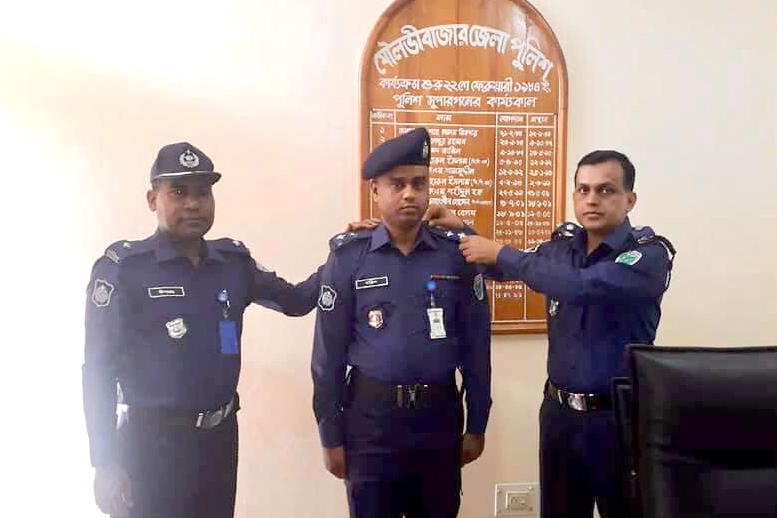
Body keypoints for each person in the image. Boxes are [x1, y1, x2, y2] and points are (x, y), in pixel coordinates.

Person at [428, 150, 676, 518]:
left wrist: (500, 251)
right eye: (583, 190)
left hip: (619, 421)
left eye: (606, 190)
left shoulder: (648, 255)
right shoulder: (561, 248)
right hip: (560, 416)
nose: (592, 199)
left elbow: (582, 286)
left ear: (630, 200)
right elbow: (501, 267)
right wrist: (461, 231)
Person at [83, 142, 323, 518]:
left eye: (203, 192)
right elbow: (98, 370)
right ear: (152, 199)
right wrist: (105, 462)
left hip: (219, 440)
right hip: (151, 446)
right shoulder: (124, 269)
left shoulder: (233, 264)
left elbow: (296, 301)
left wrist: (345, 254)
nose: (193, 204)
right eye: (178, 192)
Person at [311, 128, 492, 518]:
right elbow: (327, 355)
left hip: (438, 418)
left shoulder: (457, 254)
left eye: (418, 183)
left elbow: (477, 347)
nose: (410, 194)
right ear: (375, 191)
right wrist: (330, 435)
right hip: (370, 422)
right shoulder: (348, 257)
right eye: (397, 184)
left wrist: (478, 422)